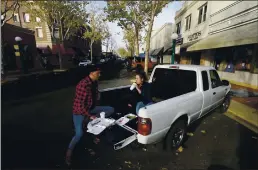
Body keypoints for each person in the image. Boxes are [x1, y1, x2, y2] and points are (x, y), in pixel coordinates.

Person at [65, 65, 114, 166]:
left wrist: (97, 97)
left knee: (110, 110)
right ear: (91, 73)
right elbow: (80, 105)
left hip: (91, 109)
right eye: (98, 73)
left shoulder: (94, 82)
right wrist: (90, 115)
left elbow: (94, 96)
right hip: (79, 112)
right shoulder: (82, 85)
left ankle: (94, 129)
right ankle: (68, 154)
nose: (99, 75)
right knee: (79, 134)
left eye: (100, 73)